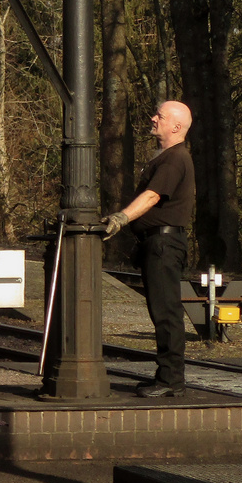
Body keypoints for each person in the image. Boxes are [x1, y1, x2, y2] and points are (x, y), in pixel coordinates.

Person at [101, 100, 196, 397]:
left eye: (160, 116)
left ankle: (171, 381)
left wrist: (122, 218)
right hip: (159, 244)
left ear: (176, 126)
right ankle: (166, 377)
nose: (153, 118)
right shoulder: (166, 157)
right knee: (162, 310)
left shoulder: (174, 159)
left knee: (166, 311)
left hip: (164, 245)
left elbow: (153, 196)